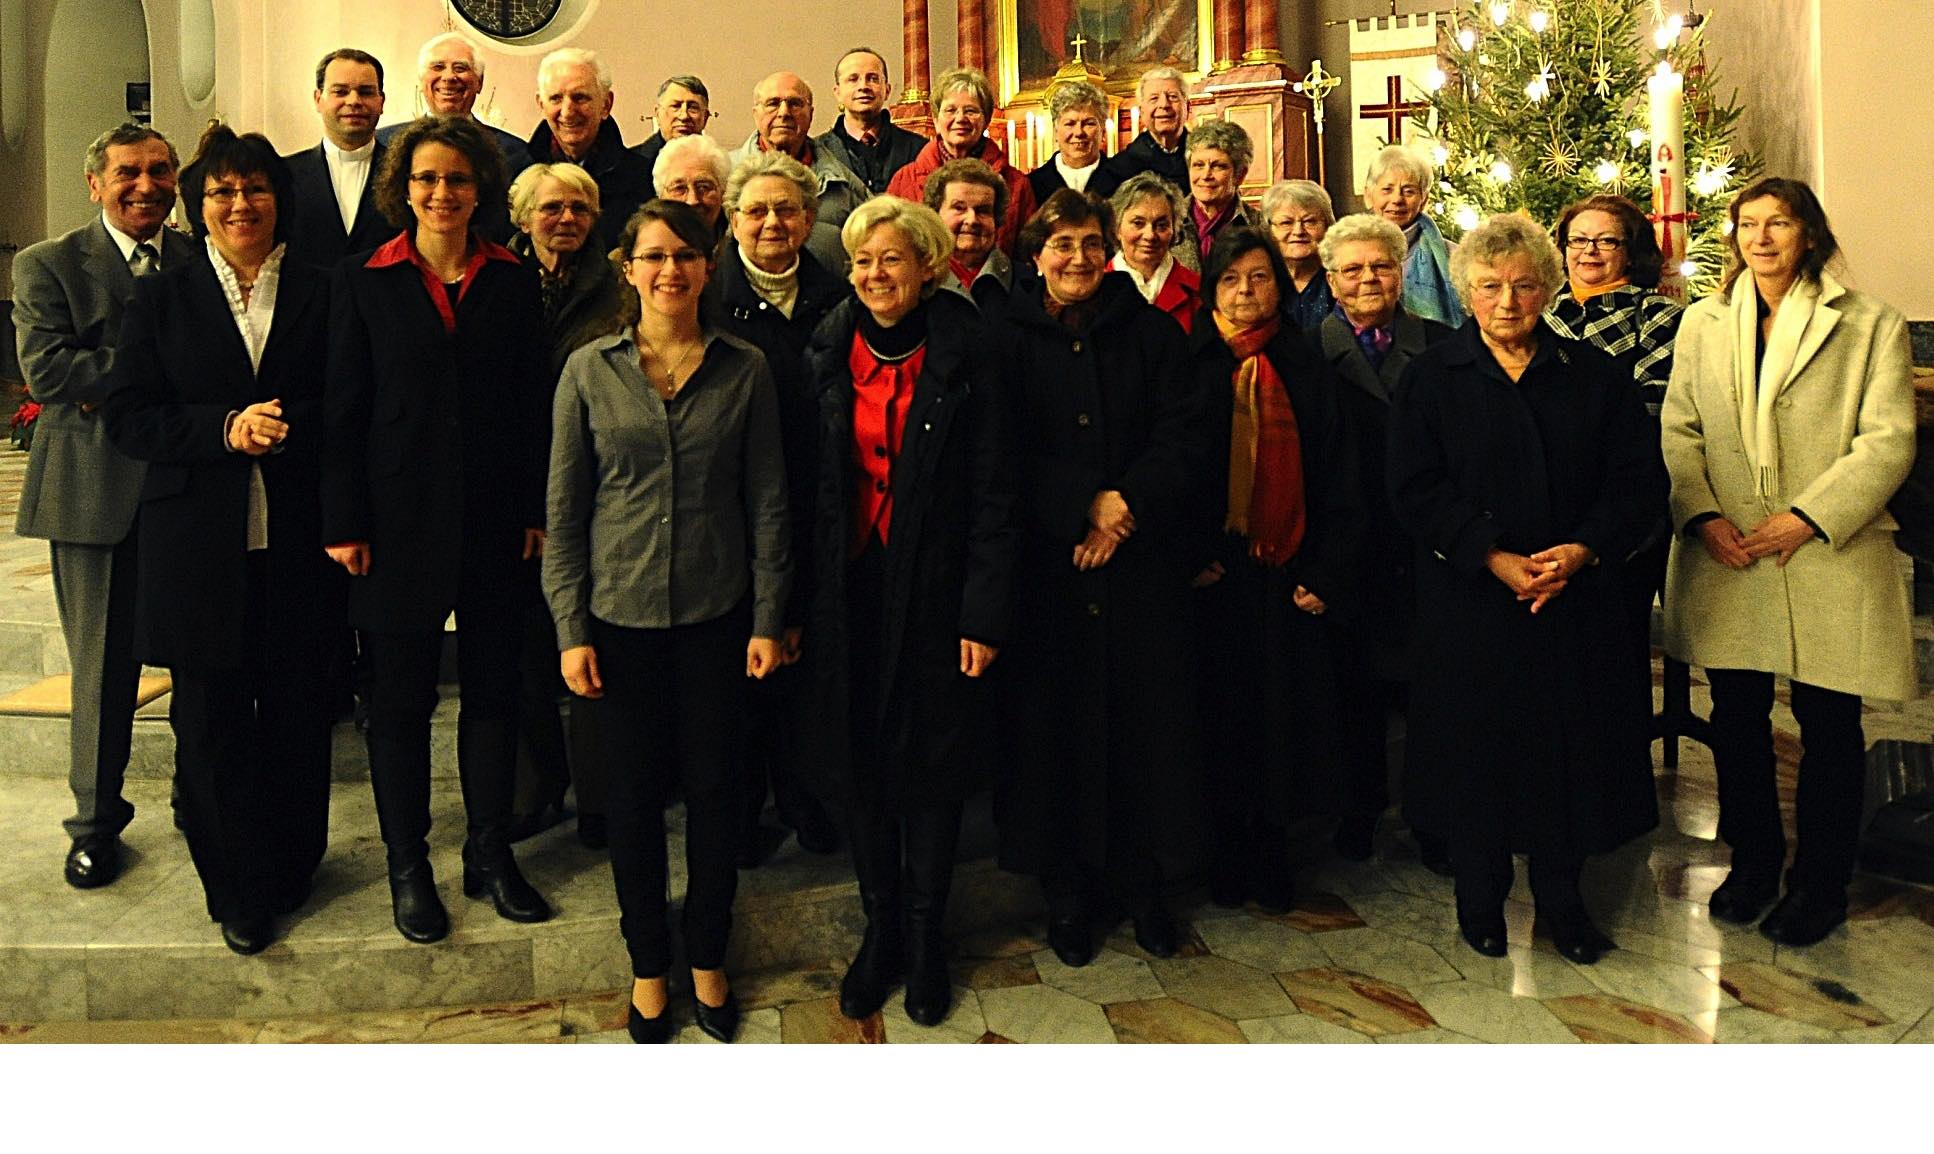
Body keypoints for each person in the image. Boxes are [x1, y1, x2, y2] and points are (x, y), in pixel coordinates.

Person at [1387, 213, 1665, 965]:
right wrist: (1492, 556)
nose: (1506, 303)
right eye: (1488, 287)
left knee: (1567, 758)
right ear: (1467, 292)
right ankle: (1478, 902)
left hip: (1572, 605)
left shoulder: (1595, 378)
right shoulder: (1431, 378)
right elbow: (1413, 487)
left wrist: (1581, 551)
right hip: (1472, 604)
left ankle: (1563, 904)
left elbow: (1638, 484)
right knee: (1475, 756)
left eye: (1522, 286)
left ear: (1547, 288)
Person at [547, 199, 790, 1043]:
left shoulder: (744, 367)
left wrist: (768, 617)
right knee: (632, 802)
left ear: (706, 264)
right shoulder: (588, 371)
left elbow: (766, 503)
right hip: (618, 622)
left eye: (686, 256)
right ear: (627, 267)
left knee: (721, 797)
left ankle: (708, 954)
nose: (670, 272)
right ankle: (650, 963)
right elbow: (566, 509)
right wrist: (570, 629)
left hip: (720, 620)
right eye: (653, 257)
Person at [1661, 178, 1916, 947]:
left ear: (1810, 233)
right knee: (1736, 719)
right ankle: (1754, 861)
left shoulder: (1869, 322)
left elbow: (1889, 439)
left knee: (1830, 725)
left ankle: (1821, 883)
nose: (1761, 237)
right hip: (1728, 548)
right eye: (1748, 223)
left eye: (1780, 223)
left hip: (1826, 550)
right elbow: (1680, 428)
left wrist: (1807, 519)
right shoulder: (1705, 322)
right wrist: (1704, 516)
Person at [103, 124, 336, 955]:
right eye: (222, 193)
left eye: (256, 189)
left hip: (302, 539)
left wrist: (283, 427)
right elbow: (130, 416)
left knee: (301, 710)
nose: (240, 204)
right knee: (211, 723)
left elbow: (350, 403)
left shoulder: (323, 287)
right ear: (199, 210)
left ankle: (293, 861)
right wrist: (222, 430)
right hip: (199, 547)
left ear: (282, 200)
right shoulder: (161, 297)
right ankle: (234, 885)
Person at [323, 115, 554, 944]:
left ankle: (489, 854)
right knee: (399, 703)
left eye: (457, 180)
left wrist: (534, 510)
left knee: (494, 693)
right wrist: (343, 519)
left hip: (495, 522)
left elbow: (532, 408)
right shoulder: (363, 279)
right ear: (402, 187)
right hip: (393, 525)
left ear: (480, 188)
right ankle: (407, 864)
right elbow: (343, 411)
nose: (442, 193)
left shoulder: (511, 279)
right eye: (426, 179)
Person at [795, 197, 1017, 1027]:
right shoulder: (825, 346)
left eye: (891, 259)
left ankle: (926, 934)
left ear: (926, 266)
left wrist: (984, 613)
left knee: (930, 767)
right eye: (861, 261)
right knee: (859, 762)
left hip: (938, 589)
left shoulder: (969, 352)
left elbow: (997, 490)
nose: (874, 275)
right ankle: (880, 927)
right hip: (848, 587)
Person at [995, 189, 1209, 967]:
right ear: (1036, 255)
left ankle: (1143, 888)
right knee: (1054, 741)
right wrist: (1080, 504)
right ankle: (1068, 897)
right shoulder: (1005, 338)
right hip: (1049, 577)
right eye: (1062, 246)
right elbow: (999, 452)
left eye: (1091, 243)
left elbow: (1186, 433)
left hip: (1140, 571)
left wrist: (1125, 506)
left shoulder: (1150, 332)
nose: (1078, 259)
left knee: (1143, 734)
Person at [15, 123, 194, 889]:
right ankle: (93, 823)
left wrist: (120, 381)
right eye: (128, 172)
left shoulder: (198, 256)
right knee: (102, 670)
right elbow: (52, 372)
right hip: (95, 494)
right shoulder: (48, 264)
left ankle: (201, 796)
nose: (146, 185)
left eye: (160, 171)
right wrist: (168, 368)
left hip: (191, 488)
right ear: (96, 183)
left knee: (201, 652)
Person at [1190, 226, 1361, 911]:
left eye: (1259, 278)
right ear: (1213, 287)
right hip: (1216, 574)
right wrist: (1190, 554)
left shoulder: (1305, 362)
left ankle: (1271, 855)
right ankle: (1223, 852)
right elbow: (1175, 468)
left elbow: (1341, 475)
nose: (1246, 291)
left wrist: (1326, 571)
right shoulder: (1194, 360)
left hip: (1286, 568)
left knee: (1281, 722)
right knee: (1219, 715)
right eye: (1231, 280)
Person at [715, 150, 849, 864]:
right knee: (742, 669)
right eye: (757, 210)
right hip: (734, 513)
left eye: (787, 209)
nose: (772, 222)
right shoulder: (710, 296)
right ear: (733, 218)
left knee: (810, 667)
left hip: (817, 504)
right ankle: (740, 813)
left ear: (808, 218)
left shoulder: (836, 294)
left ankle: (807, 801)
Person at [1312, 213, 1455, 865]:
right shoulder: (1310, 352)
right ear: (1331, 280)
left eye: (1381, 266)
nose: (1369, 278)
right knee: (1351, 692)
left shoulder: (1441, 344)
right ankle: (1357, 811)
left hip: (1424, 547)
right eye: (1353, 268)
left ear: (1401, 273)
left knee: (1430, 692)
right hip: (1348, 548)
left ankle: (1433, 815)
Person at [504, 161, 624, 848]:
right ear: (523, 217)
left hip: (601, 490)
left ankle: (602, 797)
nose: (567, 219)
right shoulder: (497, 279)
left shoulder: (616, 286)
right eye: (551, 208)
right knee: (525, 655)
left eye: (580, 207)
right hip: (521, 486)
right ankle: (536, 791)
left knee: (594, 647)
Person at [1546, 194, 1684, 693]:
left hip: (1624, 508)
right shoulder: (1537, 312)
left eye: (1607, 240)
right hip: (1543, 510)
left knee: (1615, 657)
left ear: (1631, 251)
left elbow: (1651, 405)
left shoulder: (1659, 317)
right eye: (1578, 239)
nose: (1590, 251)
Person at [376, 31, 530, 239]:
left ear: (479, 82)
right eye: (438, 67)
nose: (448, 77)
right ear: (421, 82)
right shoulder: (384, 144)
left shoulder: (514, 152)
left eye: (460, 68)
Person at [886, 67, 1036, 256]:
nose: (960, 118)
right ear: (935, 119)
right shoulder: (904, 180)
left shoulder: (1016, 184)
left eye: (971, 111)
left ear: (987, 119)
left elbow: (1028, 254)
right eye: (950, 110)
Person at [277, 49, 394, 270]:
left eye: (366, 92)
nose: (354, 101)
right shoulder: (284, 174)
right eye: (340, 91)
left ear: (381, 101)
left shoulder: (406, 173)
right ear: (318, 99)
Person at [526, 48, 651, 253]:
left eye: (580, 98)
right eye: (556, 98)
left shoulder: (641, 178)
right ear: (541, 105)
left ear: (606, 104)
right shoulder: (517, 173)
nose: (567, 112)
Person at [731, 72, 867, 232]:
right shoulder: (725, 175)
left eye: (794, 104)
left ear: (811, 114)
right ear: (755, 114)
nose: (784, 113)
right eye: (773, 103)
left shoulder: (841, 180)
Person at [1362, 144, 1460, 326]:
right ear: (1368, 195)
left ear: (1424, 200)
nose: (1397, 199)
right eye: (1387, 189)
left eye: (1409, 191)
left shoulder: (1453, 257)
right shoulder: (1349, 252)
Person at [815, 47, 927, 196]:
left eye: (873, 78)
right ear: (838, 92)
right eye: (853, 79)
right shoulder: (818, 152)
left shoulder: (918, 149)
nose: (863, 87)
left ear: (887, 90)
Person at [1107, 172, 1199, 332]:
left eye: (1161, 225)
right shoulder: (1095, 289)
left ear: (1174, 229)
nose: (1150, 235)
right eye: (1138, 223)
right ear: (1116, 227)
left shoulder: (1197, 291)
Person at [925, 158, 1013, 318]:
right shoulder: (917, 284)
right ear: (935, 214)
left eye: (983, 210)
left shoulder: (1022, 285)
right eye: (959, 208)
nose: (972, 220)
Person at [1172, 119, 1252, 273]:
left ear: (1240, 175)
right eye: (1198, 165)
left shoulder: (1259, 226)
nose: (1206, 175)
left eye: (1218, 166)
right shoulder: (1168, 222)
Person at [1027, 80, 1121, 204]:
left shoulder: (1122, 179)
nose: (1078, 133)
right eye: (1070, 124)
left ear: (1103, 131)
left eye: (1089, 123)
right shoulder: (1032, 185)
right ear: (1055, 131)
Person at [1263, 179, 1334, 330]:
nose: (1298, 231)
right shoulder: (1260, 281)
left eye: (1309, 221)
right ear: (1268, 230)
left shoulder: (1341, 277)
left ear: (1327, 226)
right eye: (1286, 223)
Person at [1100, 67, 1190, 188]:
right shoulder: (1119, 169)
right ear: (1142, 111)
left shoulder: (1206, 159)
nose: (1164, 104)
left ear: (1188, 107)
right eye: (1154, 98)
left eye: (1173, 97)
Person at [653, 133, 733, 253]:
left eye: (704, 187)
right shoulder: (634, 258)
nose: (692, 200)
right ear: (660, 196)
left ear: (723, 192)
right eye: (679, 188)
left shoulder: (745, 253)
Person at [630, 74, 712, 188]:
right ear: (658, 113)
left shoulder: (715, 166)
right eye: (676, 106)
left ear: (705, 117)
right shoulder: (630, 165)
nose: (684, 116)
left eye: (693, 107)